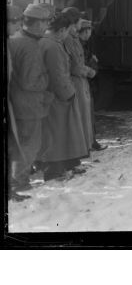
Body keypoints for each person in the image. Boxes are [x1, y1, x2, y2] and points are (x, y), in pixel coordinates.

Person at [8, 3, 53, 198]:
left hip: (16, 103)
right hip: (29, 104)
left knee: (20, 142)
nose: (47, 26)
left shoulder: (16, 39)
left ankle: (17, 178)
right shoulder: (30, 46)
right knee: (30, 144)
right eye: (45, 22)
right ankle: (20, 181)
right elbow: (30, 81)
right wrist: (47, 81)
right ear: (36, 23)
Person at [40, 12, 90, 181]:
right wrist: (69, 94)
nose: (70, 33)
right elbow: (58, 75)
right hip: (58, 98)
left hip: (53, 96)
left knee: (59, 133)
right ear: (61, 30)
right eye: (69, 30)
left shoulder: (48, 42)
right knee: (60, 134)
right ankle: (55, 169)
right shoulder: (53, 46)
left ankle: (63, 166)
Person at [62, 7, 96, 151]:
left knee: (83, 116)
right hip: (76, 82)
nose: (81, 24)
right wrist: (89, 71)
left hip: (80, 82)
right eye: (79, 21)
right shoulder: (68, 39)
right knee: (78, 119)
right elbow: (75, 66)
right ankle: (79, 151)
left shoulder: (72, 37)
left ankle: (83, 150)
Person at [78, 18, 106, 151]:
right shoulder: (80, 45)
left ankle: (91, 141)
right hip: (83, 82)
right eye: (88, 30)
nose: (90, 33)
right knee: (87, 114)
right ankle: (90, 142)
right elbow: (85, 66)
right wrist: (93, 62)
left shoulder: (82, 44)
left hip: (84, 83)